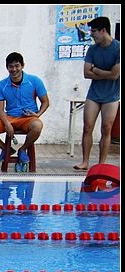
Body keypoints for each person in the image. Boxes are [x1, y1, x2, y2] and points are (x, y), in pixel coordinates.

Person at [0, 52, 49, 167]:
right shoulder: (1, 85)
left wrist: (37, 114)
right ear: (7, 67)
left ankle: (23, 149)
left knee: (38, 125)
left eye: (17, 66)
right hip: (9, 118)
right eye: (11, 66)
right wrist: (7, 123)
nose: (14, 69)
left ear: (23, 65)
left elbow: (45, 102)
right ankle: (6, 149)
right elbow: (0, 110)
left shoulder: (34, 81)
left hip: (28, 119)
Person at [74, 16, 120, 171]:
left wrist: (96, 69)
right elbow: (87, 73)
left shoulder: (118, 48)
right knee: (87, 127)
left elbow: (115, 75)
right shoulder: (92, 49)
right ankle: (85, 162)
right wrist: (107, 73)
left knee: (106, 128)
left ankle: (101, 164)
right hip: (94, 94)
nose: (91, 34)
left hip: (111, 95)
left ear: (103, 30)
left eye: (93, 31)